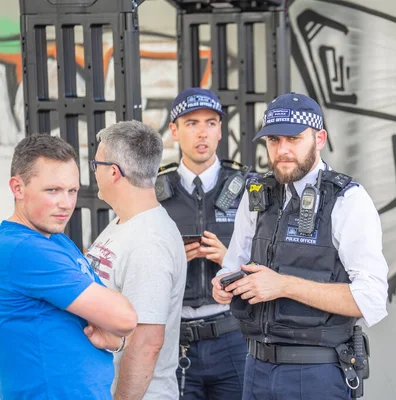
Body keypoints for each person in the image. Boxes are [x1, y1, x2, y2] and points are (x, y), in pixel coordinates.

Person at [212, 92, 389, 400]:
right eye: (273, 140)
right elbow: (233, 265)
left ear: (319, 138)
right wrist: (223, 284)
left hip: (317, 374)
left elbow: (371, 299)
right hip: (255, 368)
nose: (282, 151)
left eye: (293, 139)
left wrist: (283, 286)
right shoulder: (256, 195)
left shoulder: (348, 200)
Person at [0, 134, 138, 399]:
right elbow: (125, 318)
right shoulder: (24, 249)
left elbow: (114, 325)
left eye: (72, 190)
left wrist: (117, 338)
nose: (66, 203)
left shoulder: (57, 241)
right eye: (52, 190)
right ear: (18, 188)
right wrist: (117, 330)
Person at [155, 87, 247, 399]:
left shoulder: (250, 188)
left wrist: (230, 259)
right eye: (191, 123)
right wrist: (171, 260)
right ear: (174, 131)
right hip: (173, 339)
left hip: (232, 336)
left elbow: (271, 260)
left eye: (210, 122)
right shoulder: (154, 192)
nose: (202, 132)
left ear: (221, 129)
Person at [85, 121, 187, 400]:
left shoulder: (150, 241)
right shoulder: (125, 223)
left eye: (97, 164)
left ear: (114, 172)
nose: (95, 172)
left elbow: (146, 343)